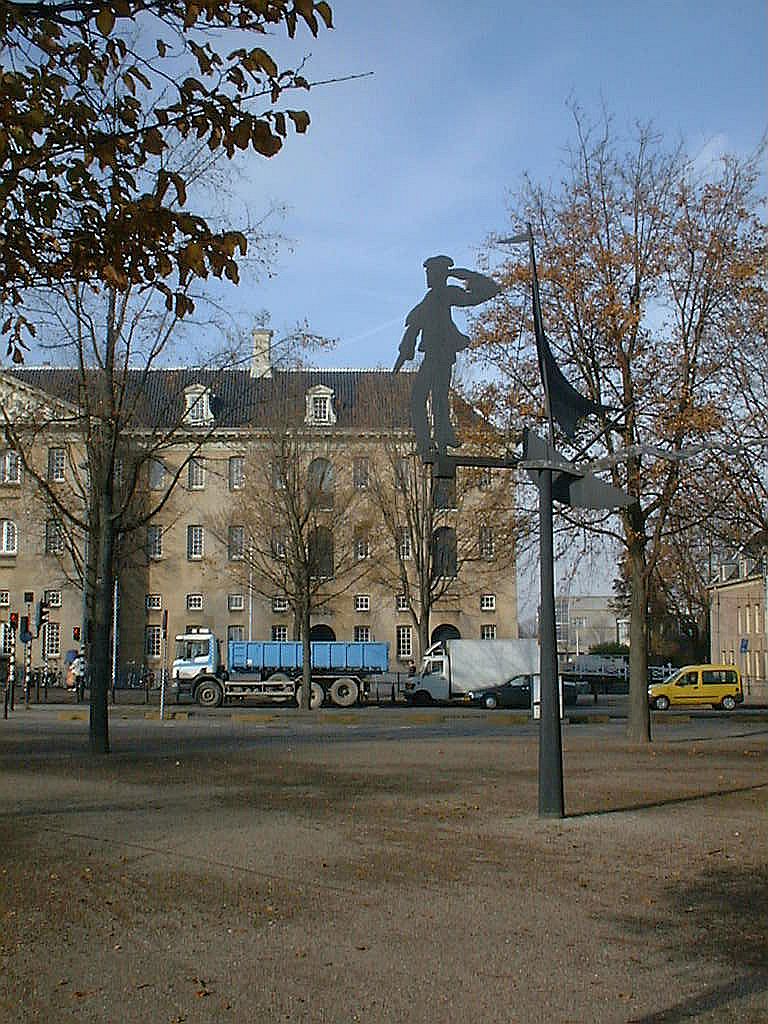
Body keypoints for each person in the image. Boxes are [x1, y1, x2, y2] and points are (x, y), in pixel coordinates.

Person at [393, 255, 499, 455]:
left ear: (438, 274)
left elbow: (487, 291)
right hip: (433, 355)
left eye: (430, 273)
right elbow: (414, 327)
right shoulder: (430, 298)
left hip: (440, 355)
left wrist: (461, 275)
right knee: (426, 398)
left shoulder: (447, 294)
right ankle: (431, 441)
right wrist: (403, 354)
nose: (427, 277)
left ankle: (439, 439)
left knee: (436, 398)